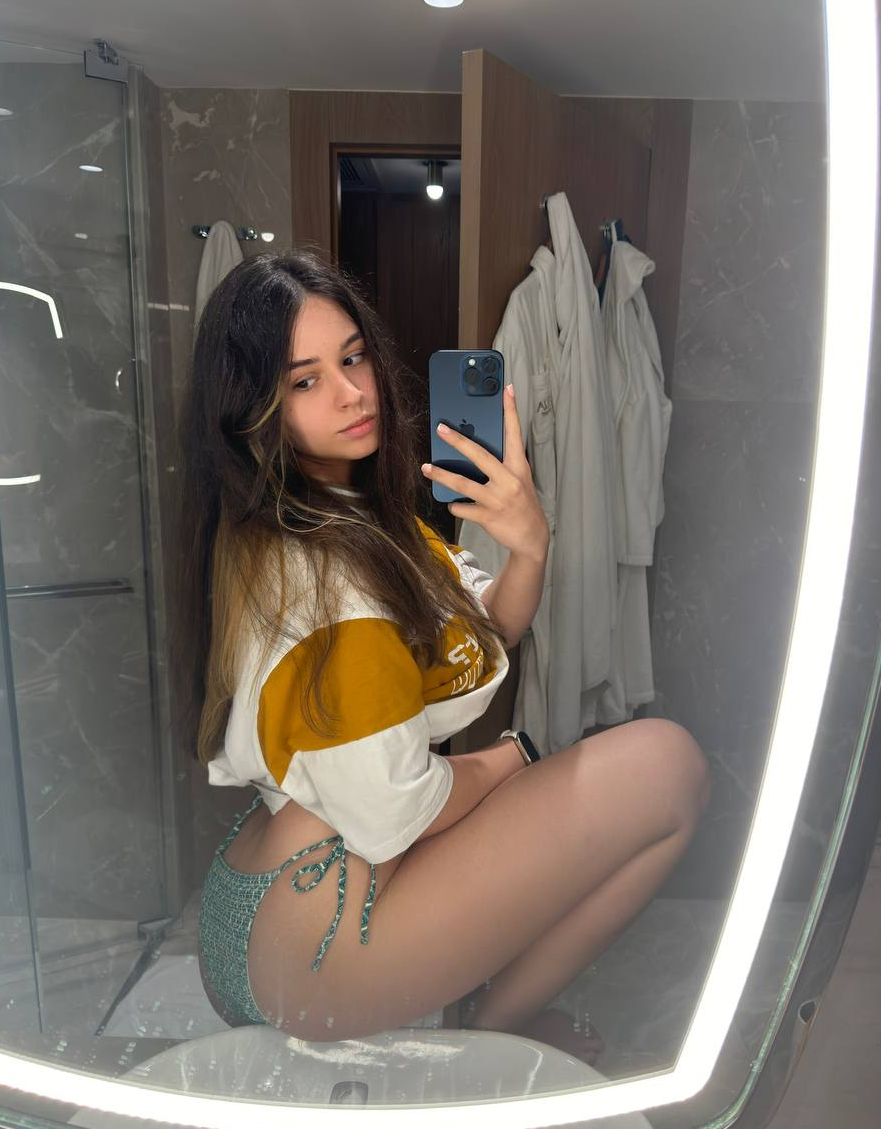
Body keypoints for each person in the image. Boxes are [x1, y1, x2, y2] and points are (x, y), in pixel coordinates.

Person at [172, 249, 710, 1066]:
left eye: (353, 358)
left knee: (605, 780)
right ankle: (487, 1033)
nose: (353, 392)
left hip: (272, 895)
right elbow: (400, 814)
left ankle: (465, 1007)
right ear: (253, 410)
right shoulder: (328, 585)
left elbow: (489, 632)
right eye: (306, 381)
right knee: (668, 767)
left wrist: (529, 547)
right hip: (317, 948)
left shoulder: (328, 519)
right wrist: (513, 758)